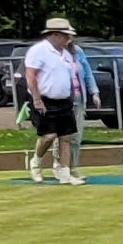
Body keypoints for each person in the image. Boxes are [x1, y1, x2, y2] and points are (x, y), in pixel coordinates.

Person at [23, 18, 87, 185]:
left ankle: (65, 173)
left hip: (64, 101)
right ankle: (36, 162)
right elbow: (30, 76)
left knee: (65, 137)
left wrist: (71, 97)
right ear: (55, 35)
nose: (69, 39)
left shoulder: (66, 54)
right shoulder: (38, 51)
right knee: (48, 136)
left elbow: (70, 77)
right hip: (45, 100)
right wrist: (37, 99)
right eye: (66, 35)